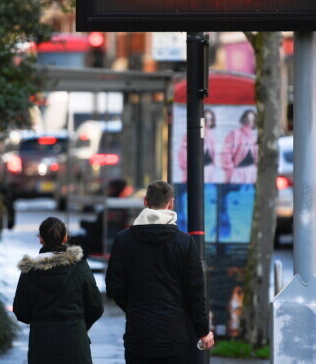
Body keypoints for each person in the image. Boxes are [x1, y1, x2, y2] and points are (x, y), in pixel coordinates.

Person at [106, 180, 214, 363]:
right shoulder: (185, 242)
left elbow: (114, 286)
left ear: (145, 201)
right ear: (170, 203)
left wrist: (134, 306)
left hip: (138, 332)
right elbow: (195, 292)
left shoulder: (124, 240)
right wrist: (203, 331)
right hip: (174, 334)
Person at [13, 217, 104, 363]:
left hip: (41, 345)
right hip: (75, 343)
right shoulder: (79, 267)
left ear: (41, 239)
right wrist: (81, 325)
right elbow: (96, 306)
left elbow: (21, 311)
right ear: (65, 237)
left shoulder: (29, 271)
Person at [179, 108, 221, 183]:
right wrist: (187, 167)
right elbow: (183, 151)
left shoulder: (211, 134)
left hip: (209, 167)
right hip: (195, 168)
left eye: (210, 119)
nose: (208, 122)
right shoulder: (193, 133)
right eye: (206, 119)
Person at [220, 109, 259, 184]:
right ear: (244, 120)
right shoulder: (234, 134)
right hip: (237, 171)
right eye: (248, 120)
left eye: (252, 120)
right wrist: (230, 168)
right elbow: (225, 152)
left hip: (252, 171)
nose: (250, 122)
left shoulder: (254, 136)